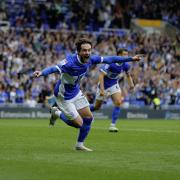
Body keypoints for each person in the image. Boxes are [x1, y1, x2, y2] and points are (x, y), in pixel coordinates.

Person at [33, 38, 142, 151]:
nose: (87, 53)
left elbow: (111, 59)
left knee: (89, 118)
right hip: (63, 95)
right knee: (79, 124)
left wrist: (131, 58)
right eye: (84, 50)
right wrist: (41, 73)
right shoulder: (70, 62)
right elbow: (54, 68)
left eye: (89, 50)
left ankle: (79, 145)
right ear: (78, 51)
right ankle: (57, 112)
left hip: (76, 91)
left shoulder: (91, 59)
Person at [90, 48, 134, 132]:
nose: (126, 56)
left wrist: (131, 84)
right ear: (119, 55)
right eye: (124, 54)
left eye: (127, 54)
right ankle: (85, 112)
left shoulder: (126, 65)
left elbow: (128, 75)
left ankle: (112, 125)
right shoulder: (111, 63)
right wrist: (102, 89)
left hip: (114, 84)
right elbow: (101, 75)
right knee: (96, 107)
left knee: (118, 102)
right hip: (104, 85)